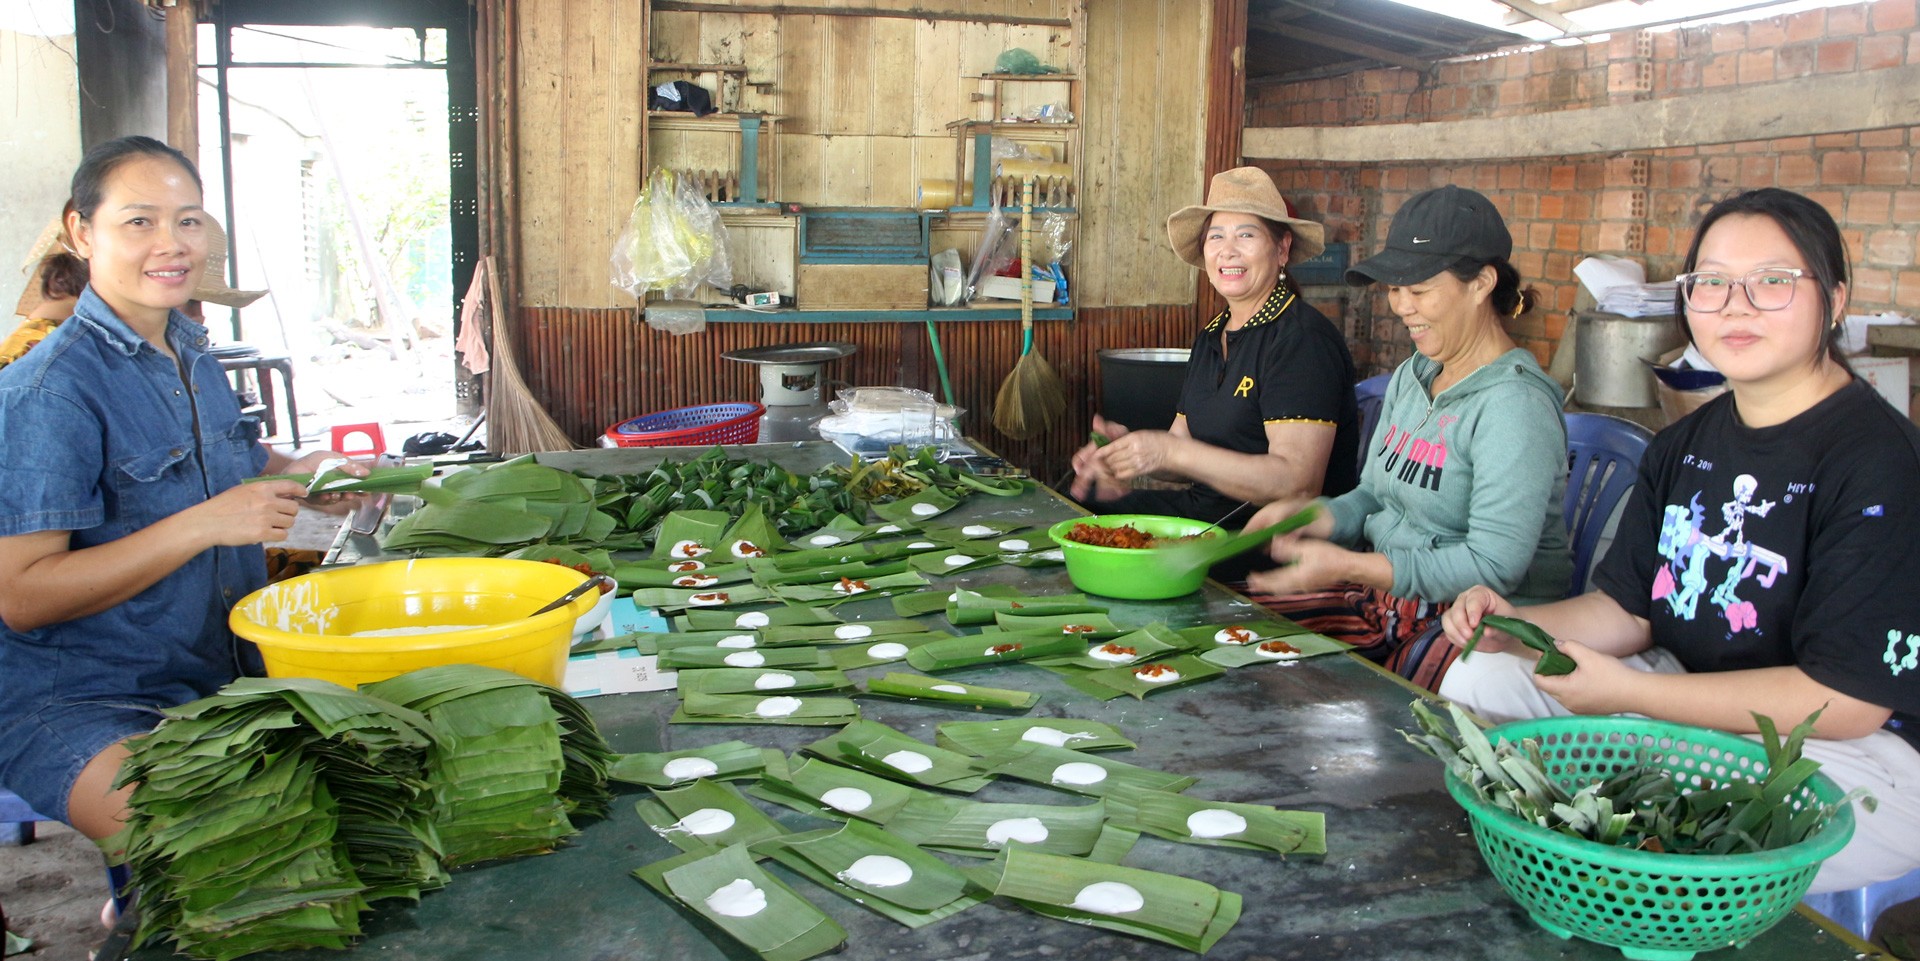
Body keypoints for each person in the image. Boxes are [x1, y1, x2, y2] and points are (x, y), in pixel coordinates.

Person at [1438, 187, 1920, 894]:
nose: (1736, 304)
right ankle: (1608, 856)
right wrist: (1519, 625)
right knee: (1481, 675)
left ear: (1836, 301)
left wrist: (1633, 695)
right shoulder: (1687, 442)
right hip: (1686, 706)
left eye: (1773, 282)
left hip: (1846, 754)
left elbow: (1848, 701)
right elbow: (1630, 611)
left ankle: (1617, 870)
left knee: (1695, 824)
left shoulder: (1879, 459)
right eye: (1713, 282)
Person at [0, 136, 357, 843]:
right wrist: (202, 524)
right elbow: (22, 595)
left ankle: (129, 889)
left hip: (224, 668)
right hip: (86, 702)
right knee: (242, 845)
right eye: (140, 221)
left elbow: (238, 467)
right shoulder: (46, 391)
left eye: (188, 220)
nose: (172, 244)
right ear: (81, 229)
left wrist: (306, 475)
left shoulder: (190, 353)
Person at [1241, 185, 1572, 688]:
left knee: (1379, 697)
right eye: (1395, 289)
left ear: (1482, 283)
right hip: (1389, 598)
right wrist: (1314, 516)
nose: (1401, 306)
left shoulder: (1514, 405)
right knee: (1247, 625)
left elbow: (1493, 565)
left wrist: (1352, 565)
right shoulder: (1414, 376)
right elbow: (1374, 495)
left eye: (1419, 290)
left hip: (1472, 618)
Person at [1068, 167, 1360, 576]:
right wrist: (1127, 453)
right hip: (1204, 520)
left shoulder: (1301, 340)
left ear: (1282, 249)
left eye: (1246, 234)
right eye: (1216, 236)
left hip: (1265, 539)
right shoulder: (1213, 335)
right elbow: (1179, 444)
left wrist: (1172, 451)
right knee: (1082, 508)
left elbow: (1298, 483)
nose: (1228, 250)